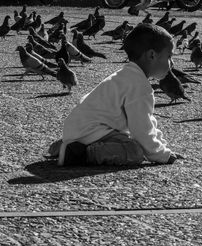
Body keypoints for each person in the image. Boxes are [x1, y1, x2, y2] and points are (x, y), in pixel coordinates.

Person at [52, 23, 182, 166]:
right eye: (169, 56)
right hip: (91, 131)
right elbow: (141, 130)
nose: (172, 64)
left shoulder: (126, 76)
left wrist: (163, 148)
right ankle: (81, 153)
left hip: (81, 128)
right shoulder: (138, 86)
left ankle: (66, 145)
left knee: (131, 141)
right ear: (152, 55)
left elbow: (147, 122)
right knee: (135, 151)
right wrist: (160, 155)